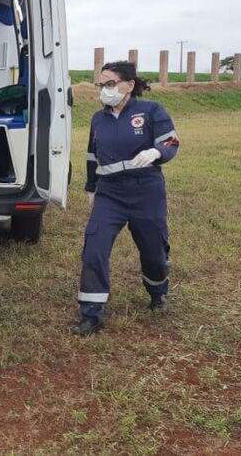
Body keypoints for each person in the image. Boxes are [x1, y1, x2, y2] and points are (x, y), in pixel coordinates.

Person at [72, 61, 180, 336]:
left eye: (110, 84)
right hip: (110, 192)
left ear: (129, 85)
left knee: (153, 251)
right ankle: (91, 314)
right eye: (100, 85)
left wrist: (156, 153)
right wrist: (91, 187)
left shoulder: (151, 110)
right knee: (94, 248)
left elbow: (170, 141)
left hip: (146, 189)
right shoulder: (99, 119)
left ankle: (158, 293)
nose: (104, 90)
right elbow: (92, 155)